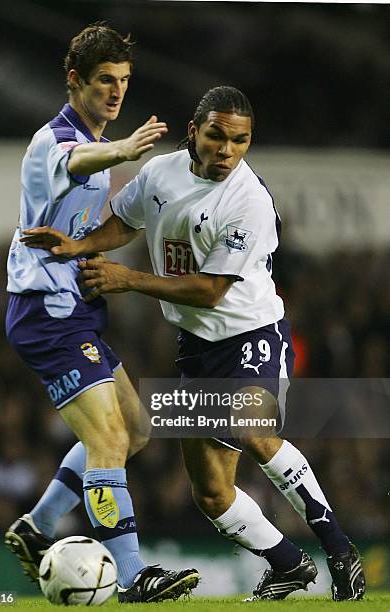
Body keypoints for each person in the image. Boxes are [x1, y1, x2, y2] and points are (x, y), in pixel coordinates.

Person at [22, 85, 366, 602]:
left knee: (252, 429)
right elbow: (123, 222)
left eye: (240, 140)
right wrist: (80, 245)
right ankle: (289, 565)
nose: (227, 150)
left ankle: (340, 551)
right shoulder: (160, 173)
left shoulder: (249, 201)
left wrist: (128, 279)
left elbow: (210, 289)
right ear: (194, 132)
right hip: (198, 346)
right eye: (217, 136)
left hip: (251, 333)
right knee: (211, 493)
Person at [5, 22, 199, 603]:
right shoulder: (54, 142)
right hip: (44, 312)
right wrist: (126, 147)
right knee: (110, 439)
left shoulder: (91, 135)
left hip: (74, 309)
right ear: (74, 81)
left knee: (135, 431)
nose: (115, 93)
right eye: (103, 82)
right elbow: (79, 161)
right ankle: (136, 575)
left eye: (123, 81)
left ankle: (37, 527)